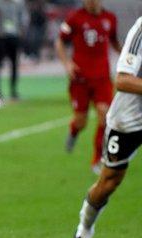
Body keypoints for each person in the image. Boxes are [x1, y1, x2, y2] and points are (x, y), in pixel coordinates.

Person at [70, 16, 142, 238]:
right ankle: (84, 229)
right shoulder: (141, 30)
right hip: (129, 119)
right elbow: (122, 80)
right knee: (108, 182)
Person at [55, 0, 121, 174]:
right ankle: (74, 130)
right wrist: (67, 64)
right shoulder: (74, 18)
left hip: (102, 78)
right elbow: (60, 42)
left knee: (105, 115)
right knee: (80, 120)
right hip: (80, 79)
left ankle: (97, 159)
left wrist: (127, 57)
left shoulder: (110, 18)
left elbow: (114, 42)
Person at [0, 0, 28, 100]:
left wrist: (21, 30)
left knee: (14, 64)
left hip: (14, 36)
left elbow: (22, 18)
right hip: (1, 36)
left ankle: (13, 91)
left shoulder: (18, 4)